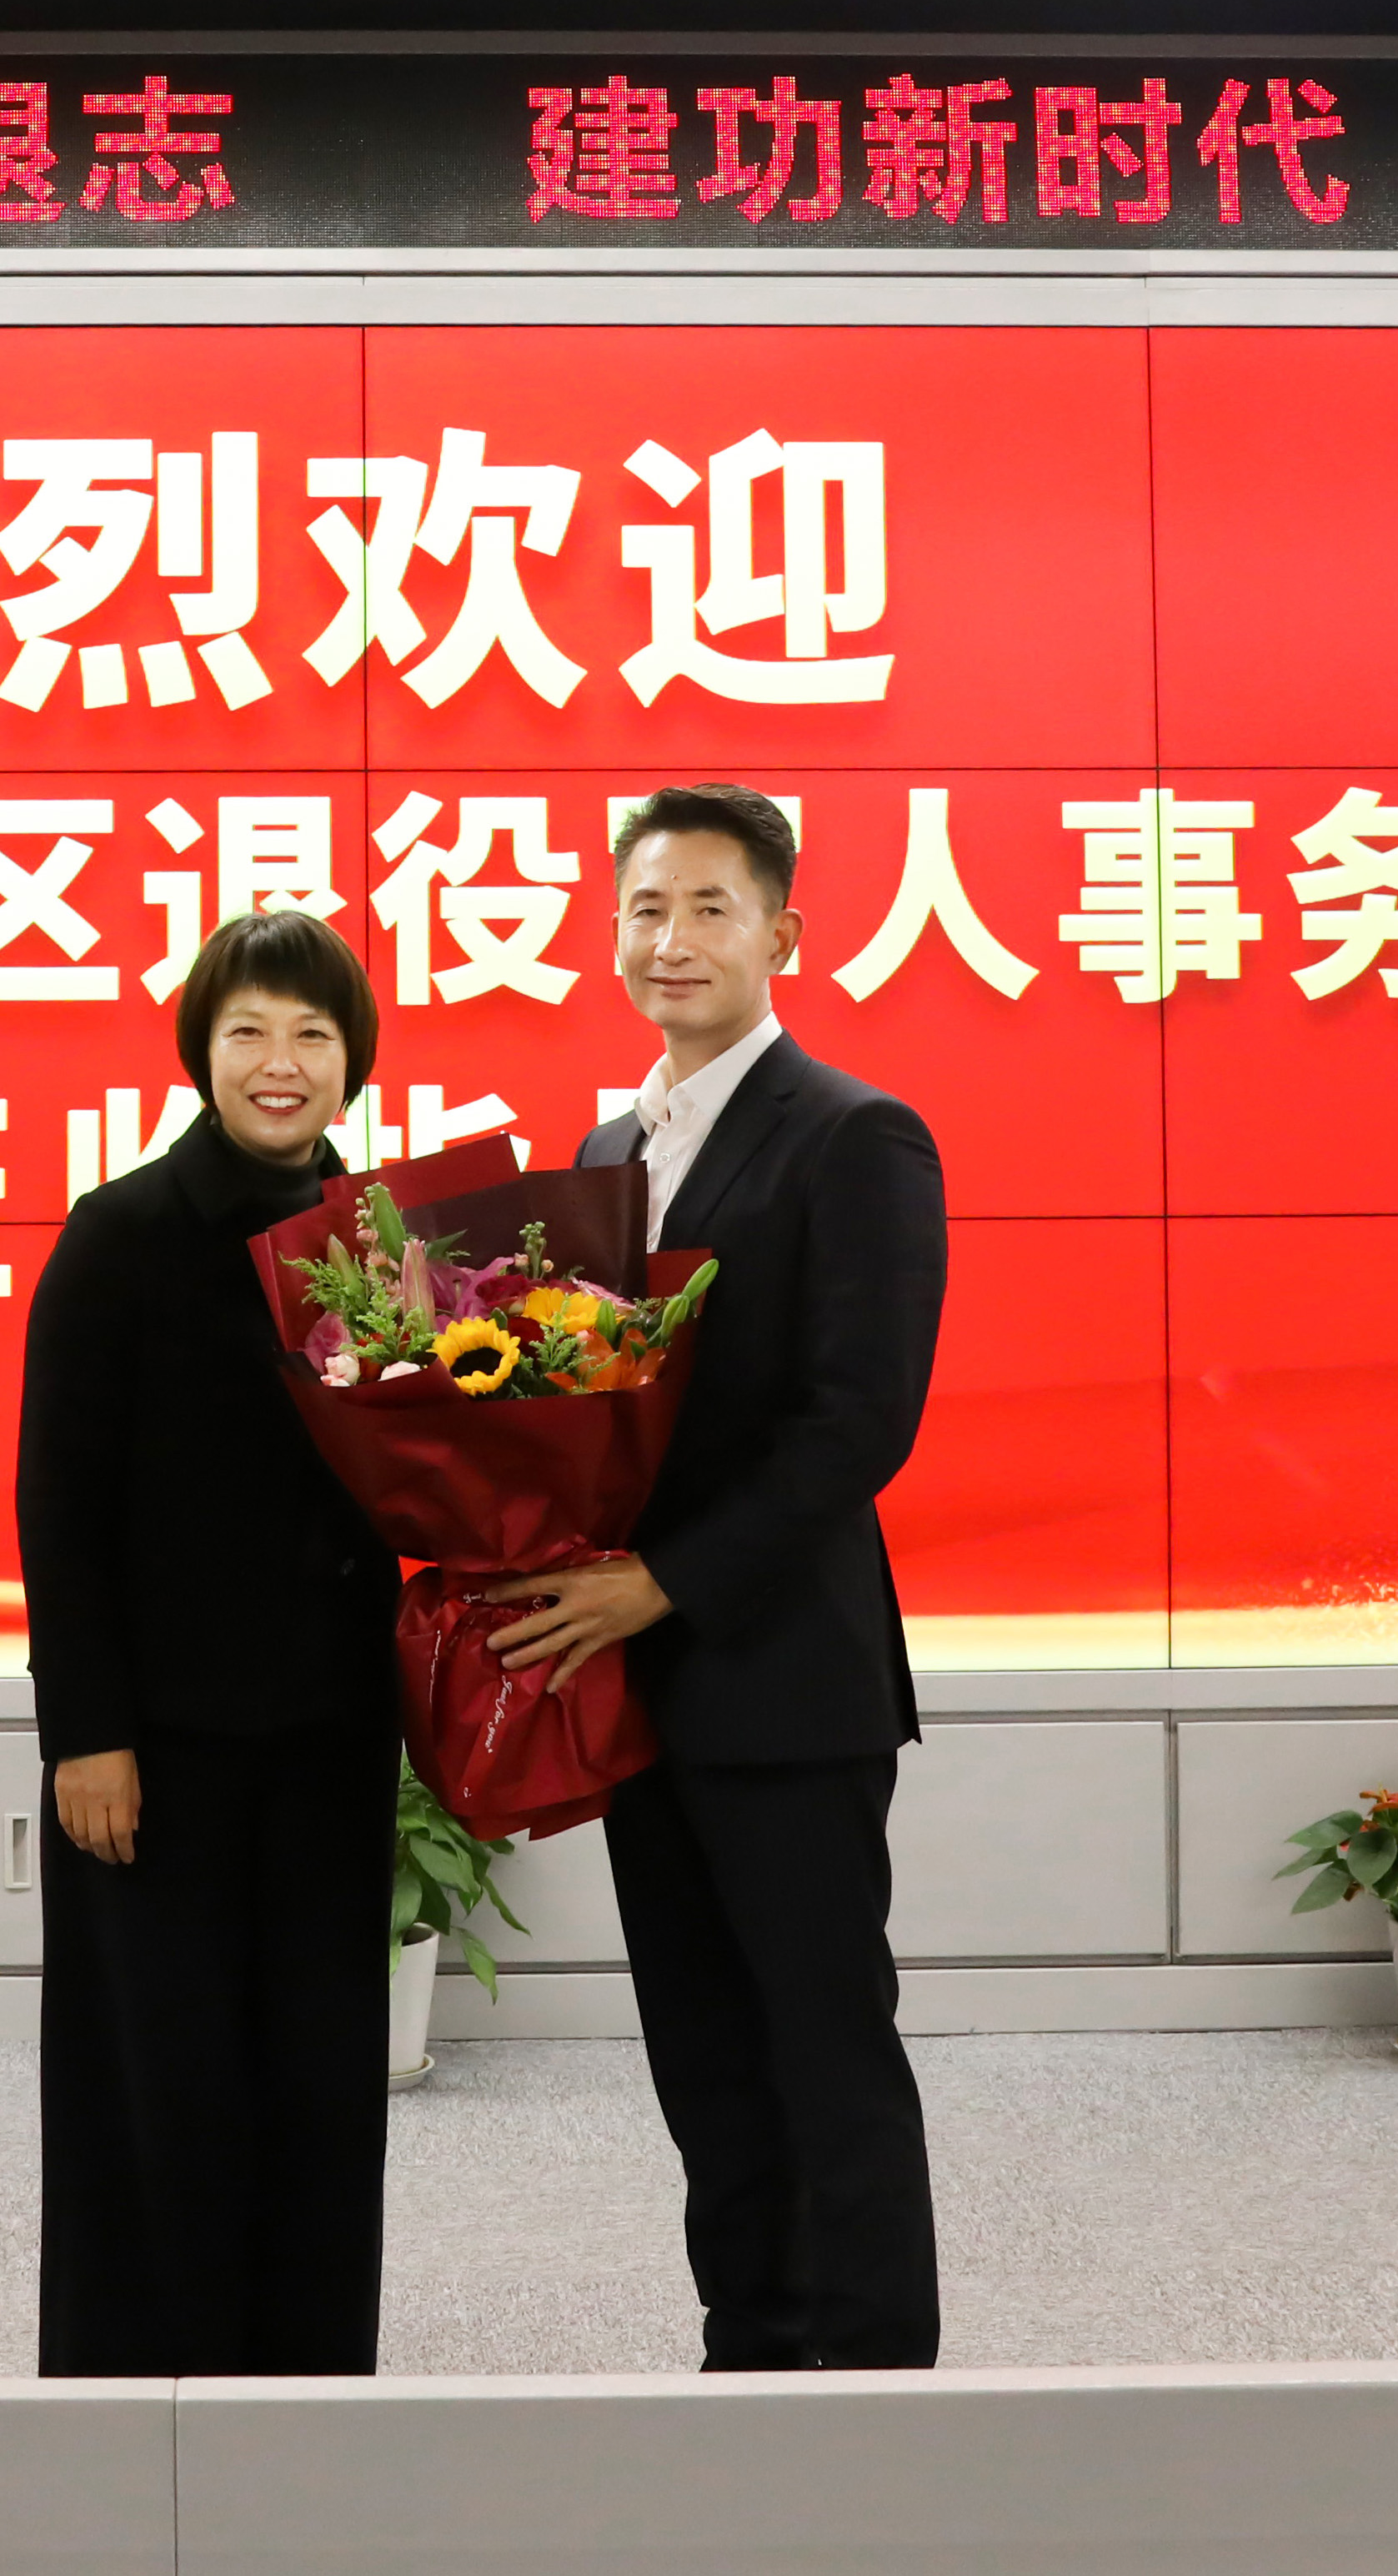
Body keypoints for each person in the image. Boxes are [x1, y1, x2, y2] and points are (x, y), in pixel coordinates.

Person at [487, 782, 950, 2372]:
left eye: (707, 908)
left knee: (823, 2042)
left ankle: (876, 2379)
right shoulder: (608, 1148)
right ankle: (748, 2349)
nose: (669, 939)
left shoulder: (854, 1134)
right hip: (640, 1688)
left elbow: (856, 1425)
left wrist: (662, 1584)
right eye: (644, 909)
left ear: (781, 934)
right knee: (698, 2049)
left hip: (784, 1676)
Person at [16, 906, 401, 2378]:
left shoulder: (382, 1239)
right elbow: (59, 1501)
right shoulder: (121, 1232)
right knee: (154, 2088)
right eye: (249, 1030)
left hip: (329, 1735)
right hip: (154, 1750)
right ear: (201, 1051)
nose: (279, 1060)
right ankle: (131, 2407)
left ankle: (308, 2403)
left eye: (311, 1032)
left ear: (351, 1060)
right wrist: (85, 1734)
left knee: (319, 2083)